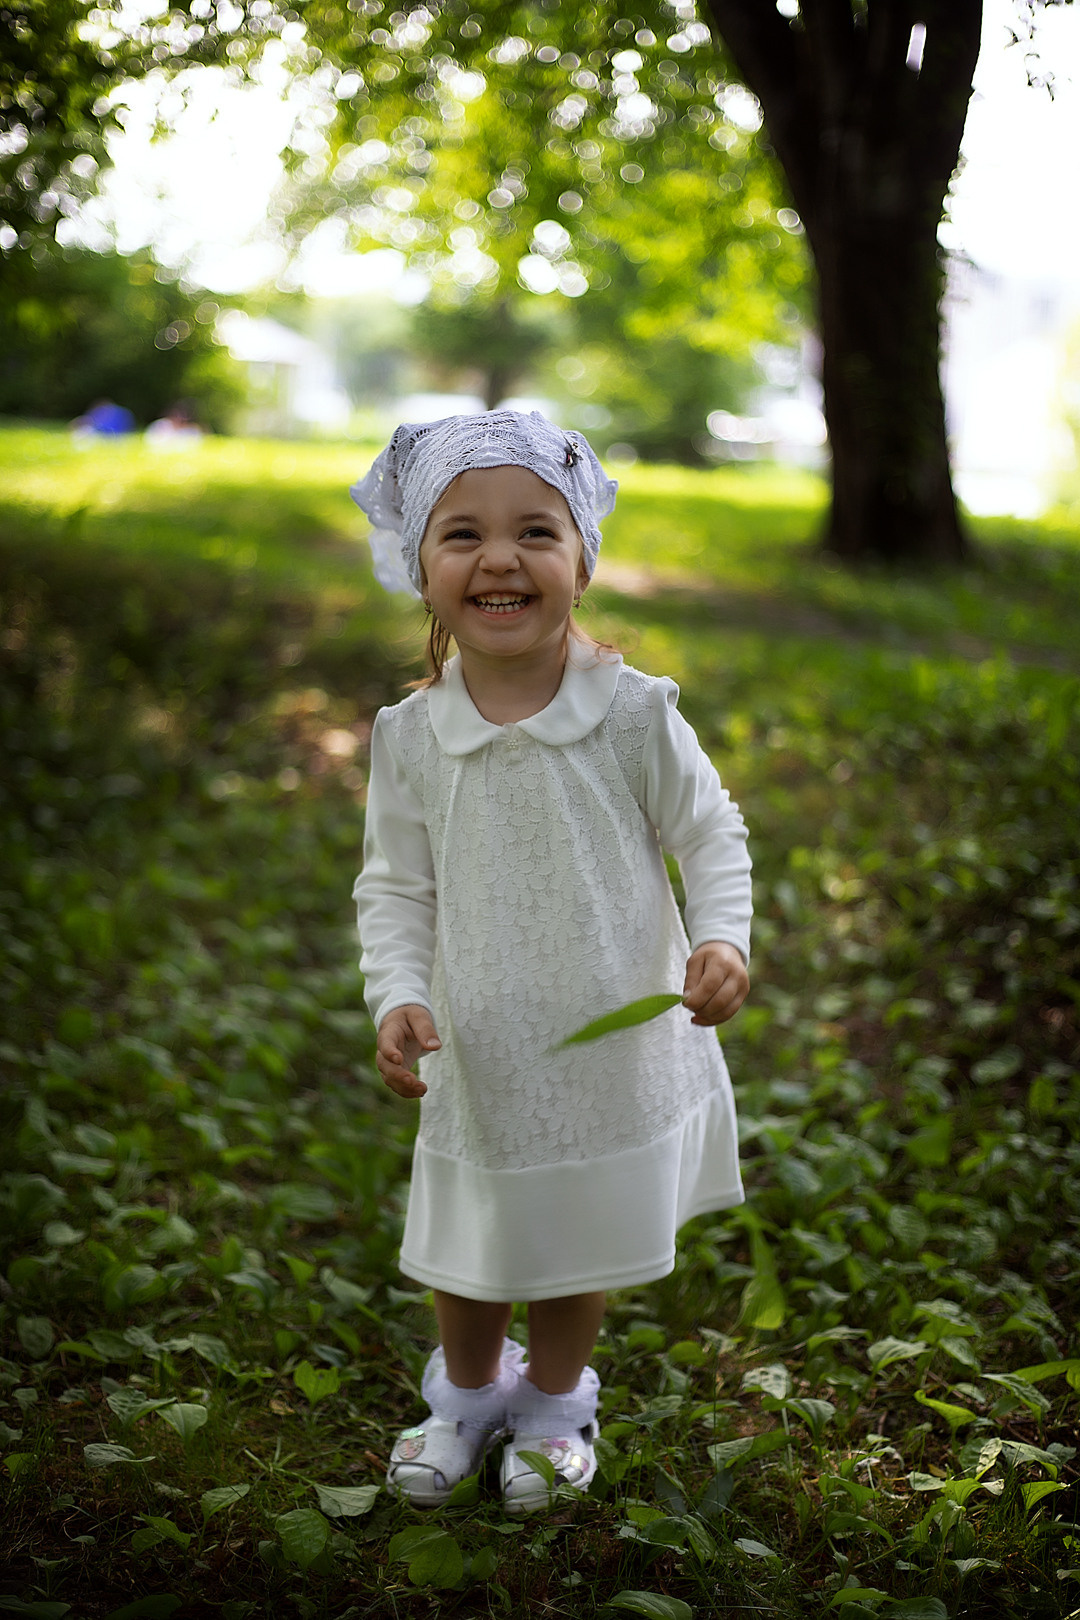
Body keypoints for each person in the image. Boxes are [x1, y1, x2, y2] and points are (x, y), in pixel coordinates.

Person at [350, 410, 752, 1516]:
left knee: (581, 1231)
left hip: (607, 1041)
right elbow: (396, 886)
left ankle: (556, 1403)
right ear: (420, 568)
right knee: (472, 1237)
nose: (500, 559)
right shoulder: (411, 735)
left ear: (583, 559)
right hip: (479, 1041)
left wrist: (722, 935)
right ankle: (469, 1394)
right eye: (462, 534)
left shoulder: (632, 714)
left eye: (536, 531)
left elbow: (711, 833)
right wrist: (400, 993)